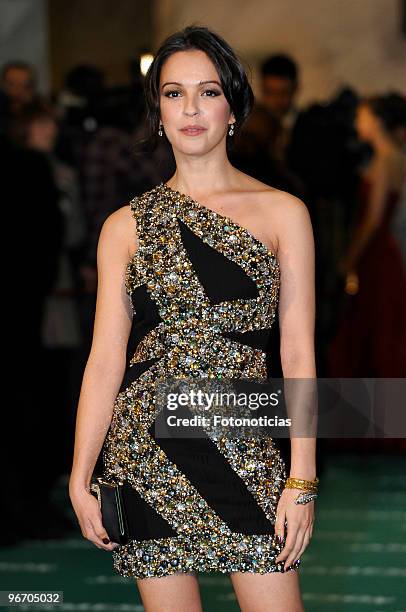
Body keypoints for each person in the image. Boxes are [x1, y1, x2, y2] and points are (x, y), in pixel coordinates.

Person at [69, 25, 317, 611]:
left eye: (208, 91)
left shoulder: (284, 214)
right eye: (174, 93)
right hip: (145, 451)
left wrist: (302, 478)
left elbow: (299, 352)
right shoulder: (124, 227)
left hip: (246, 444)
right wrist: (80, 475)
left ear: (233, 104)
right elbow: (106, 358)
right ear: (156, 110)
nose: (191, 109)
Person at [328, 93, 406, 377]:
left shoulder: (385, 161)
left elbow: (373, 220)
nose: (357, 122)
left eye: (362, 117)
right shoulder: (392, 158)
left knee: (372, 327)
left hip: (376, 253)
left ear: (377, 121)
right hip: (383, 251)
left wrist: (349, 259)